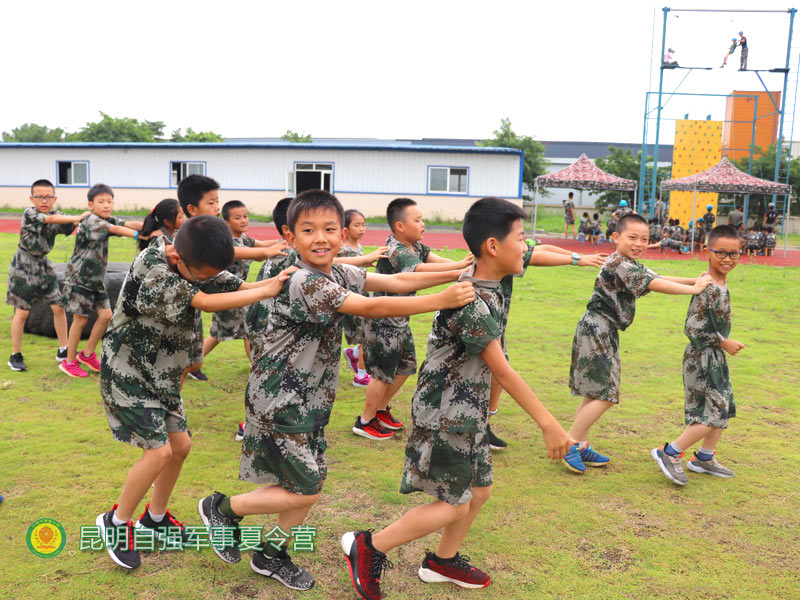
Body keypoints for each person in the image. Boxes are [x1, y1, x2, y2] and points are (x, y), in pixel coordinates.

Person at [197, 190, 474, 591]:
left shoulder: (337, 271)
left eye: (329, 229)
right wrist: (442, 299)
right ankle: (223, 508)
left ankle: (272, 554)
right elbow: (371, 307)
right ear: (291, 237)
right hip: (280, 400)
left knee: (306, 486)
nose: (320, 238)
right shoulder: (303, 280)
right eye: (309, 230)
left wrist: (456, 273)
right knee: (305, 488)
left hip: (309, 401)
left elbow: (395, 281)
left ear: (342, 235)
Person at [340, 197, 573, 600]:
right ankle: (370, 546)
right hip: (446, 410)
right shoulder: (473, 303)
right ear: (493, 247)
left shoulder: (487, 282)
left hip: (469, 408)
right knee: (452, 503)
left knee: (479, 490)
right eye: (521, 238)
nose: (527, 246)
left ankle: (441, 562)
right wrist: (548, 424)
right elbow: (503, 369)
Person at [95, 215, 291, 570]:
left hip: (163, 373)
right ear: (177, 258)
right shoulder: (153, 268)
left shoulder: (191, 259)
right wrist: (264, 291)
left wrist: (272, 281)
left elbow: (223, 283)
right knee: (157, 454)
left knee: (180, 447)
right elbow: (203, 300)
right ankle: (116, 522)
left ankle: (154, 520)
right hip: (128, 371)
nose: (208, 279)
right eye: (201, 274)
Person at [563, 213, 712, 474]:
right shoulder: (620, 264)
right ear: (616, 237)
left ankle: (580, 442)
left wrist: (694, 281)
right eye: (632, 237)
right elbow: (656, 284)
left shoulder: (629, 263)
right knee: (607, 395)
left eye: (644, 239)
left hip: (604, 329)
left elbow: (658, 277)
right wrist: (694, 289)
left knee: (596, 392)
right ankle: (570, 443)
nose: (639, 243)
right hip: (597, 328)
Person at [356, 198, 473, 440]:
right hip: (383, 321)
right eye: (417, 220)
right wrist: (459, 270)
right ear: (400, 226)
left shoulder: (416, 247)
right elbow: (418, 271)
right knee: (382, 373)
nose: (423, 225)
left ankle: (380, 410)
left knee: (405, 367)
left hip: (401, 320)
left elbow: (436, 261)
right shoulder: (396, 250)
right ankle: (365, 420)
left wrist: (465, 266)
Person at [652, 225, 744, 485]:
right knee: (710, 414)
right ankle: (669, 453)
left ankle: (704, 457)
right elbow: (692, 328)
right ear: (707, 251)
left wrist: (721, 345)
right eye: (721, 253)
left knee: (722, 408)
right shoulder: (709, 287)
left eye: (734, 254)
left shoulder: (721, 283)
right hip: (701, 357)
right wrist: (723, 342)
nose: (728, 259)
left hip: (714, 356)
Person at [177, 174, 287, 385]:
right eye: (211, 203)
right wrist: (264, 254)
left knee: (195, 358)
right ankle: (257, 366)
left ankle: (178, 397)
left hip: (214, 296)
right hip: (201, 300)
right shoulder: (190, 235)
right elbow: (234, 252)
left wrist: (279, 244)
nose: (216, 207)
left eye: (217, 201)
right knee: (184, 361)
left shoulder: (212, 231)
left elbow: (254, 246)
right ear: (192, 209)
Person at [59, 184, 143, 378]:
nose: (107, 205)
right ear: (91, 205)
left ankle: (87, 354)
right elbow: (117, 229)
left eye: (110, 201)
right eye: (101, 201)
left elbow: (126, 224)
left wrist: (151, 226)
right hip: (80, 278)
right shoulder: (91, 220)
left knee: (106, 315)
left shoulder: (106, 219)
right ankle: (69, 362)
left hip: (96, 280)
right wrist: (141, 236)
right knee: (80, 320)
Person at [7, 179, 89, 372]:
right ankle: (15, 355)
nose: (44, 200)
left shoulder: (57, 214)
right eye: (39, 197)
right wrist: (78, 216)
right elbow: (51, 221)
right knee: (22, 312)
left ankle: (63, 349)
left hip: (44, 264)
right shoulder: (30, 214)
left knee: (58, 307)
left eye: (48, 197)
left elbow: (68, 225)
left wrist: (87, 218)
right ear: (32, 198)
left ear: (54, 198)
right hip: (24, 264)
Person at [202, 200, 285, 364]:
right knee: (245, 331)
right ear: (226, 222)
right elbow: (258, 254)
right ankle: (257, 367)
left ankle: (192, 363)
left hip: (237, 293)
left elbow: (261, 245)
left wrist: (281, 242)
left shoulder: (242, 238)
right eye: (238, 218)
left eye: (246, 216)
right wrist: (272, 249)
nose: (244, 220)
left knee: (221, 334)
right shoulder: (228, 243)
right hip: (228, 295)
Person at [339, 209, 389, 388]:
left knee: (364, 335)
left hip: (361, 294)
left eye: (364, 224)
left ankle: (353, 354)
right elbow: (339, 267)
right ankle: (361, 375)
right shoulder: (341, 249)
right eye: (357, 225)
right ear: (345, 228)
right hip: (349, 299)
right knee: (364, 337)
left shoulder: (357, 247)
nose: (362, 229)